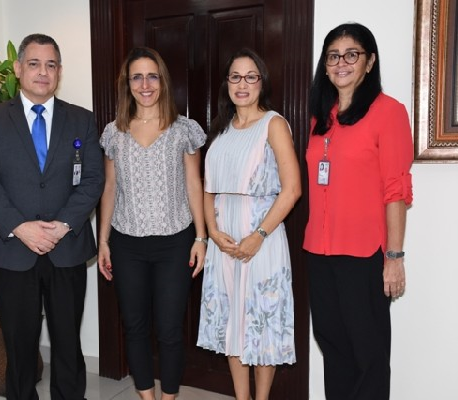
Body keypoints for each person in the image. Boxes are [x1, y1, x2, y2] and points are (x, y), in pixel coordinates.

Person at [0, 33, 105, 400]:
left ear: (59, 72)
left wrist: (61, 225)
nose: (42, 72)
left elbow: (93, 179)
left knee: (67, 344)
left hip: (67, 249)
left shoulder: (82, 119)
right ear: (18, 69)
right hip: (13, 252)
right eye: (34, 64)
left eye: (50, 65)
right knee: (18, 347)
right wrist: (20, 226)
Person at [304, 23, 413, 399]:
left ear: (369, 62)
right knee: (333, 350)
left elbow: (396, 189)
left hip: (364, 255)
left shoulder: (389, 112)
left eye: (352, 54)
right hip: (319, 252)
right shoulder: (321, 117)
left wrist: (394, 257)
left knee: (368, 356)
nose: (342, 62)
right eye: (333, 55)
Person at [97, 47, 207, 400]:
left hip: (175, 242)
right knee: (134, 326)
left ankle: (169, 398)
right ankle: (146, 396)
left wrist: (201, 238)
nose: (145, 84)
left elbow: (194, 184)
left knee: (171, 329)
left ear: (162, 80)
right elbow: (110, 187)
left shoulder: (183, 130)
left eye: (152, 76)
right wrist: (103, 241)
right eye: (137, 77)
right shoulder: (114, 132)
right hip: (127, 243)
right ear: (127, 84)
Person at [197, 48, 300, 400]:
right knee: (232, 325)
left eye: (250, 76)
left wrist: (258, 236)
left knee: (261, 324)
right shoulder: (222, 130)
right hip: (224, 243)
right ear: (227, 83)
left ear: (262, 82)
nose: (242, 84)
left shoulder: (273, 124)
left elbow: (292, 190)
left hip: (262, 240)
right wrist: (212, 232)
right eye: (235, 77)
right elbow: (209, 190)